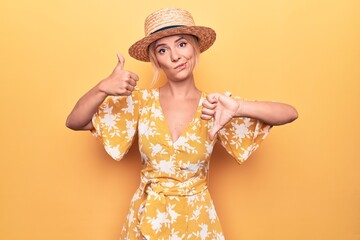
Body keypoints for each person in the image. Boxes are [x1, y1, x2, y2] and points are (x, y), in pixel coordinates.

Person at [66, 8, 298, 240]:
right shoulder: (140, 102)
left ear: (195, 48)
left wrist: (239, 108)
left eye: (182, 44)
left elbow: (289, 113)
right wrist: (101, 88)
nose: (175, 56)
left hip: (197, 222)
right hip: (147, 219)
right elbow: (76, 121)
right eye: (163, 50)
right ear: (155, 59)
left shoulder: (216, 106)